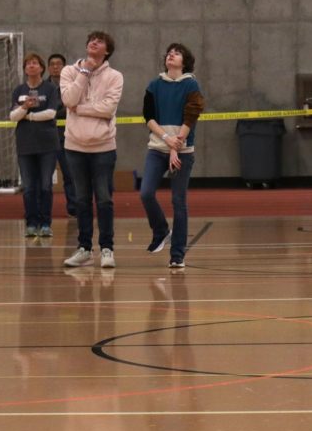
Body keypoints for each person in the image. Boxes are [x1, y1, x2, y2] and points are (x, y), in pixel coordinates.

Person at [60, 31, 124, 270]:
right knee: (81, 200)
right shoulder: (69, 71)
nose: (94, 43)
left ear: (107, 50)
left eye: (100, 41)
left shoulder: (115, 76)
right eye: (91, 40)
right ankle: (84, 249)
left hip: (103, 147)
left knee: (105, 199)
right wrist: (84, 73)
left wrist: (80, 109)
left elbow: (107, 109)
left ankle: (107, 248)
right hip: (74, 146)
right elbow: (69, 99)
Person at [139, 43, 205, 272]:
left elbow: (192, 115)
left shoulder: (191, 84)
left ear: (184, 61)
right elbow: (148, 116)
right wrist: (167, 140)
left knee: (179, 202)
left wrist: (177, 146)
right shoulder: (154, 85)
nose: (170, 55)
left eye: (176, 53)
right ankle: (160, 231)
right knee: (146, 193)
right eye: (168, 52)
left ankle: (177, 255)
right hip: (158, 148)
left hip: (183, 151)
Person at [10, 52, 61, 238]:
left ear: (41, 67)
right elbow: (12, 117)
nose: (31, 66)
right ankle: (31, 223)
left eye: (34, 63)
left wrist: (29, 116)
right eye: (28, 64)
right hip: (25, 145)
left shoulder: (50, 89)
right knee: (29, 187)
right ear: (25, 69)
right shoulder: (18, 91)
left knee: (46, 186)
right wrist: (24, 107)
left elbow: (50, 113)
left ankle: (46, 223)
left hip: (47, 145)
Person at [47, 53, 77, 217]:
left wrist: (52, 111)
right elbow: (44, 110)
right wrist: (58, 110)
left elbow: (71, 107)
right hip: (46, 138)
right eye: (52, 64)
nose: (55, 67)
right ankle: (42, 210)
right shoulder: (43, 87)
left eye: (59, 64)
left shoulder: (71, 86)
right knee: (43, 178)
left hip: (68, 137)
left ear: (65, 67)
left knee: (70, 175)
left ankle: (73, 208)